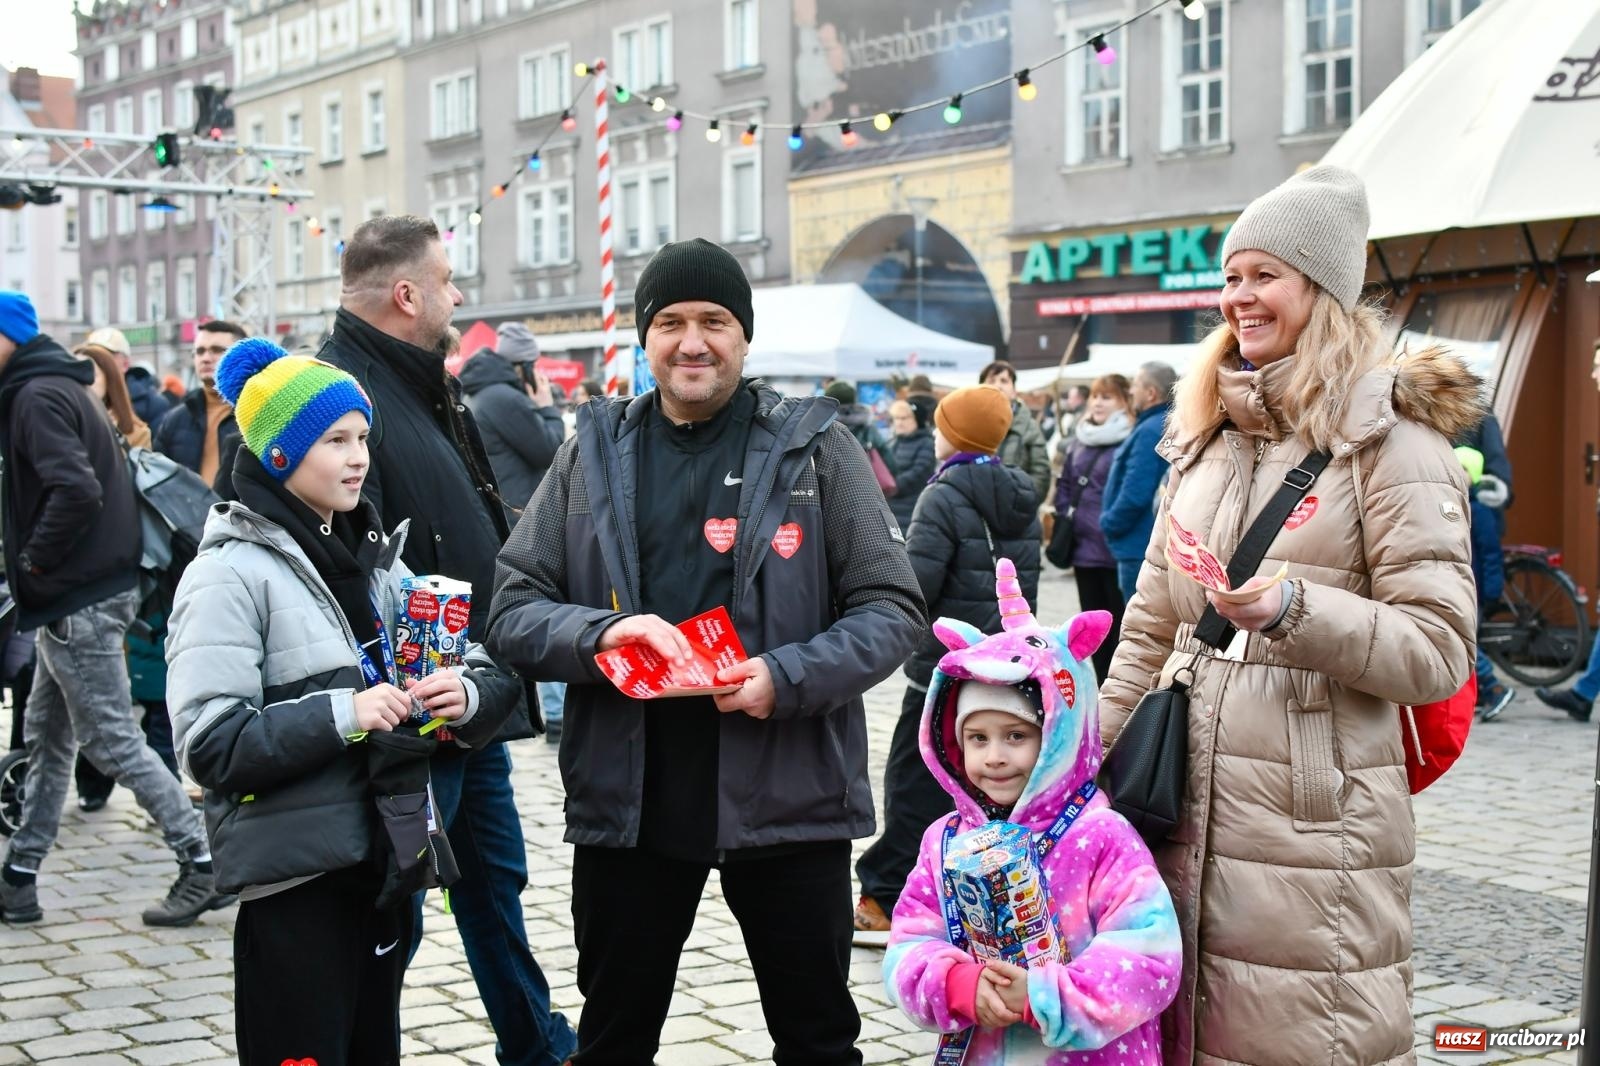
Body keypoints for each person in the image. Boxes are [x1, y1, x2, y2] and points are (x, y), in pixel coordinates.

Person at [486, 237, 926, 1064]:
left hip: (789, 792)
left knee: (818, 1040)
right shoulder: (591, 451)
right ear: (644, 337)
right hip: (632, 798)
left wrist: (783, 676)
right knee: (615, 1038)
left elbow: (893, 605)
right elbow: (512, 606)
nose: (694, 341)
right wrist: (602, 633)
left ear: (744, 336)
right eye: (673, 322)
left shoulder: (818, 449)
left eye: (715, 321)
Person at [1099, 166, 1478, 1066]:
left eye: (1265, 274)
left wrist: (1292, 609)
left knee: (1295, 1036)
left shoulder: (1395, 445)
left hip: (1317, 822)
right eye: (1232, 277)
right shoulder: (1203, 439)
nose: (1240, 297)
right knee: (1180, 1029)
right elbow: (1148, 632)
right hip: (1175, 796)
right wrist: (1085, 777)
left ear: (1325, 289)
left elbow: (1438, 650)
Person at [168, 338, 523, 1066]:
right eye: (335, 441)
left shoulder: (371, 562)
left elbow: (486, 667)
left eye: (362, 437)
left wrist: (465, 691)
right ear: (278, 456)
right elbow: (209, 746)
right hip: (297, 884)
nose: (359, 456)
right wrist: (348, 713)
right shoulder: (226, 576)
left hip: (383, 865)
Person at [318, 215, 575, 1066]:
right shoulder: (343, 392)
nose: (458, 296)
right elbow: (348, 565)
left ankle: (534, 1043)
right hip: (420, 714)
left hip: (476, 695)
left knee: (496, 889)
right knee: (396, 913)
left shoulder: (423, 380)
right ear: (406, 293)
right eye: (448, 280)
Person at [0, 291, 230, 927]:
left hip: (79, 596)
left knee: (111, 739)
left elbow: (76, 489)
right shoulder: (57, 386)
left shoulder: (37, 395)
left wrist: (32, 562)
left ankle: (202, 857)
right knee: (48, 738)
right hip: (79, 596)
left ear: (9, 338)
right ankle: (19, 876)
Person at [883, 570, 1180, 1061]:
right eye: (978, 738)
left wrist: (1047, 996)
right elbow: (909, 942)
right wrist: (955, 984)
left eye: (1016, 736)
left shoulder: (1102, 837)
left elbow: (1150, 956)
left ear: (1059, 737)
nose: (994, 756)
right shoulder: (945, 840)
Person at [853, 384, 1039, 942]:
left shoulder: (944, 492)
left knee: (914, 778)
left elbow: (919, 584)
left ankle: (884, 897)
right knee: (988, 778)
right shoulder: (1019, 491)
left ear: (954, 435)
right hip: (1005, 665)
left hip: (946, 665)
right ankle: (989, 896)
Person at [73, 342, 181, 812]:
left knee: (126, 705)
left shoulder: (136, 434)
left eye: (89, 372)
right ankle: (89, 787)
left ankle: (182, 829)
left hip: (130, 579)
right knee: (69, 713)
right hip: (81, 585)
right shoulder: (65, 423)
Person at [1054, 374, 1134, 682]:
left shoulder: (1130, 440)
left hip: (1114, 549)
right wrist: (1067, 514)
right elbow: (1064, 483)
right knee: (1092, 629)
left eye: (1108, 397)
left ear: (1124, 402)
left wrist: (1109, 523)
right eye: (1096, 396)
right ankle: (1099, 689)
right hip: (1083, 548)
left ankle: (1121, 687)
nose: (1099, 403)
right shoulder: (1080, 440)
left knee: (1121, 628)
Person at [459, 324, 567, 518]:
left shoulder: (479, 392)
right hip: (518, 515)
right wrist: (547, 407)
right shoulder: (506, 399)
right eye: (533, 365)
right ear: (522, 366)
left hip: (499, 508)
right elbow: (552, 451)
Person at [1453, 411, 1514, 719]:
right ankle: (1481, 689)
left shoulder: (1478, 416)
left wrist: (1492, 591)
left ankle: (1491, 686)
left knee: (1458, 632)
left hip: (1471, 574)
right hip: (1463, 570)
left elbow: (1489, 552)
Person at [1100, 363, 1177, 600]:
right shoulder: (1162, 424)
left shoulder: (1149, 430)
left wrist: (1109, 523)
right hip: (1148, 541)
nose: (1131, 391)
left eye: (1135, 385)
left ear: (1151, 393)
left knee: (1139, 623)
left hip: (1138, 544)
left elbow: (1136, 492)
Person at [153, 320, 246, 492]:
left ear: (240, 356)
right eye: (200, 351)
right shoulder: (175, 420)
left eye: (217, 350)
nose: (206, 358)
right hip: (186, 517)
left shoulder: (256, 415)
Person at [978, 360, 1051, 501]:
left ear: (1014, 391)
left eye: (1004, 381)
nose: (998, 385)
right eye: (991, 380)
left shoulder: (1030, 428)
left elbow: (1041, 475)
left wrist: (1019, 503)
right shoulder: (968, 424)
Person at [88, 326, 173, 425]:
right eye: (91, 356)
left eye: (107, 356)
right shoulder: (79, 397)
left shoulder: (152, 404)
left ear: (125, 364)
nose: (97, 362)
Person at [825, 379, 900, 481]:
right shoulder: (866, 425)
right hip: (865, 484)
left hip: (830, 484)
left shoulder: (821, 426)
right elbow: (887, 456)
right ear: (854, 399)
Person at [886, 398, 936, 532]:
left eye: (904, 418)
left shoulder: (927, 443)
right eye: (896, 418)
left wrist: (893, 486)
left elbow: (919, 472)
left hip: (913, 510)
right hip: (891, 510)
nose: (899, 423)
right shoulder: (893, 443)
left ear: (917, 420)